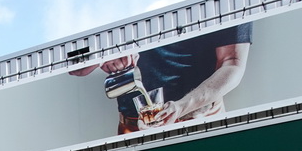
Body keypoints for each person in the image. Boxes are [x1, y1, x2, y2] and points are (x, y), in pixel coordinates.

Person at [71, 23, 252, 133]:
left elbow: (233, 63)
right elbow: (73, 65)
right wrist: (104, 52)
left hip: (203, 120)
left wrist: (181, 107)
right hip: (134, 129)